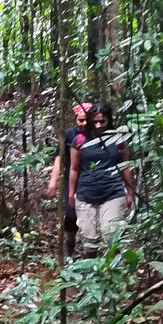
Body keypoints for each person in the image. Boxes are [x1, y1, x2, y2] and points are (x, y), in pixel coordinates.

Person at [68, 102, 135, 254]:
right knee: (89, 244)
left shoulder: (118, 140)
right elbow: (74, 168)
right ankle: (92, 266)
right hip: (86, 194)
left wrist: (130, 192)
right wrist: (71, 193)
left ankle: (112, 268)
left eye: (102, 121)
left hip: (113, 193)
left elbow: (125, 166)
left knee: (111, 239)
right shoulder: (80, 140)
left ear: (108, 120)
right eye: (95, 121)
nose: (98, 125)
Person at [47, 102, 91, 255]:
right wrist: (53, 182)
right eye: (80, 120)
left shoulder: (95, 134)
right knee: (71, 214)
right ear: (75, 119)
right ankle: (70, 242)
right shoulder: (69, 134)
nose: (83, 123)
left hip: (89, 179)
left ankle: (90, 250)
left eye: (86, 120)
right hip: (70, 179)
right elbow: (60, 158)